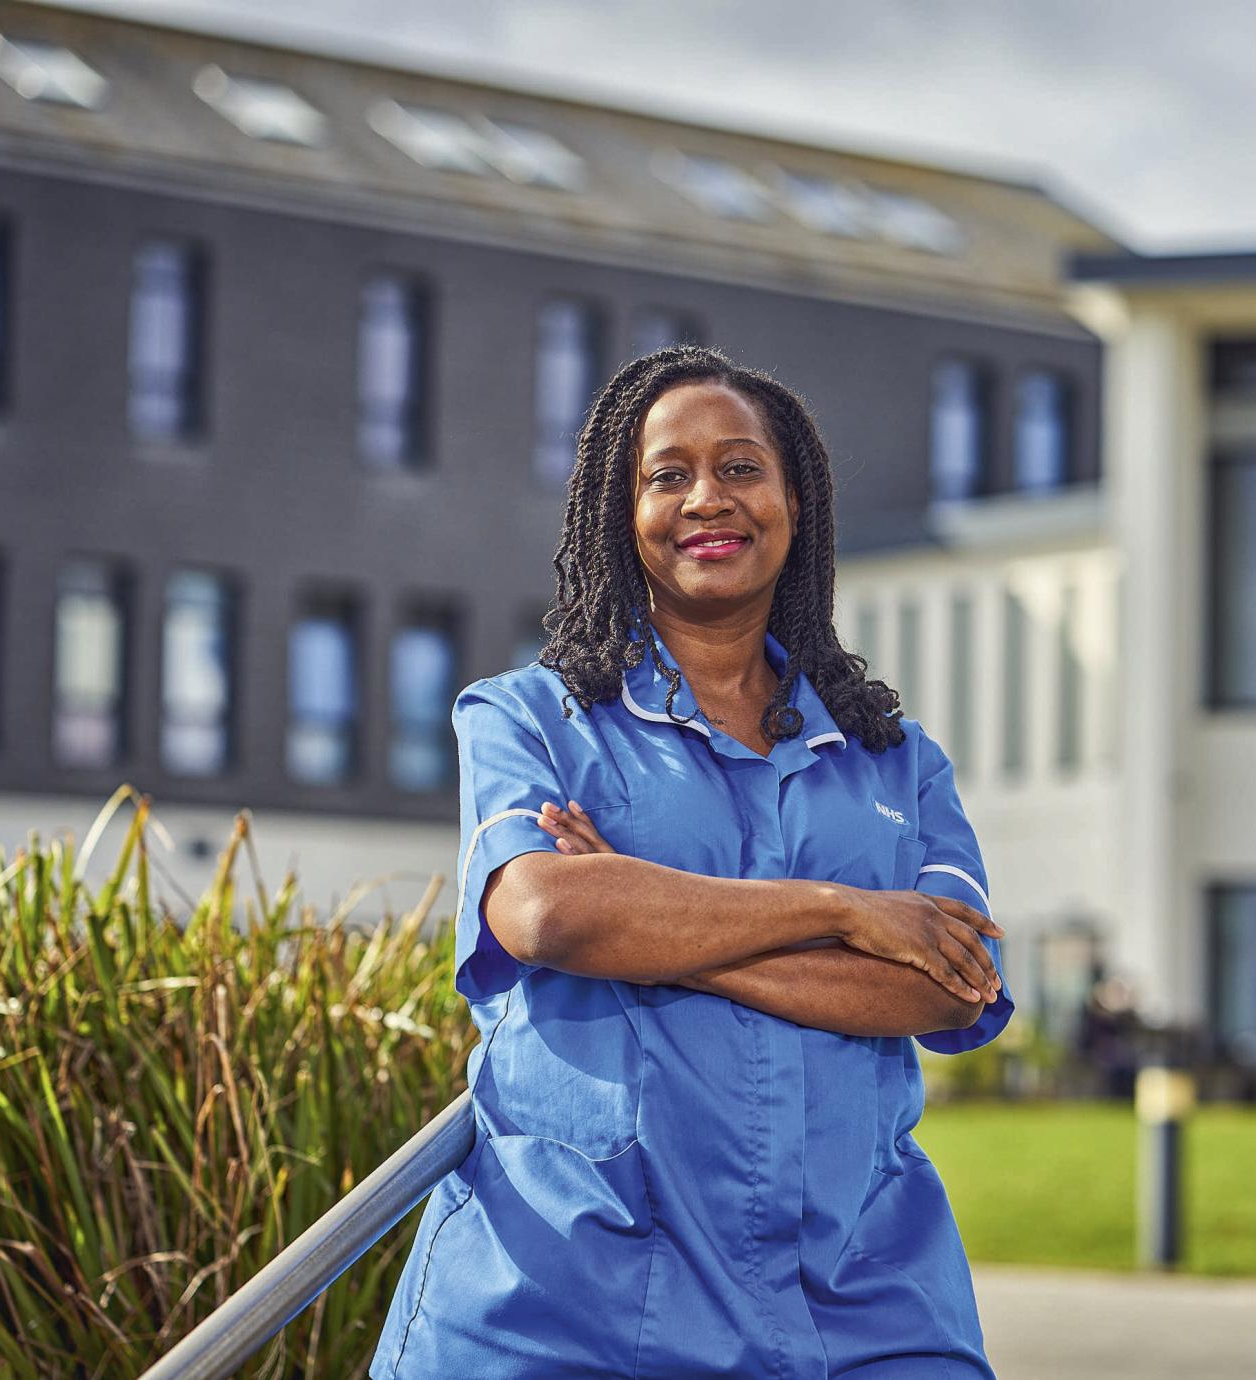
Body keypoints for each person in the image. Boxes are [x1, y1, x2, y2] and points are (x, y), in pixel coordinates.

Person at [369, 345, 1015, 1378]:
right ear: (618, 519)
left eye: (740, 468)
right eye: (666, 475)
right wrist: (842, 911)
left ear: (794, 503)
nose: (705, 498)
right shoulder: (528, 718)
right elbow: (543, 918)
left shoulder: (898, 762)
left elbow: (949, 987)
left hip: (860, 1298)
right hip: (570, 1302)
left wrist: (641, 916)